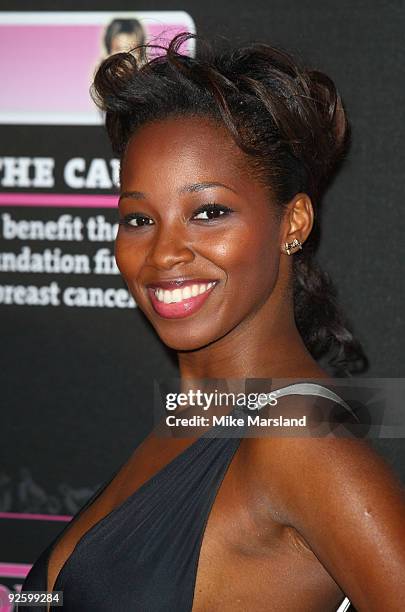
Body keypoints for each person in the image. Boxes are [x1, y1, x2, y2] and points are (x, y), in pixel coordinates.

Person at [20, 32, 405, 611]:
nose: (164, 253)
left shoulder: (300, 443)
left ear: (292, 223)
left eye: (209, 212)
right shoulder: (188, 418)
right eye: (138, 219)